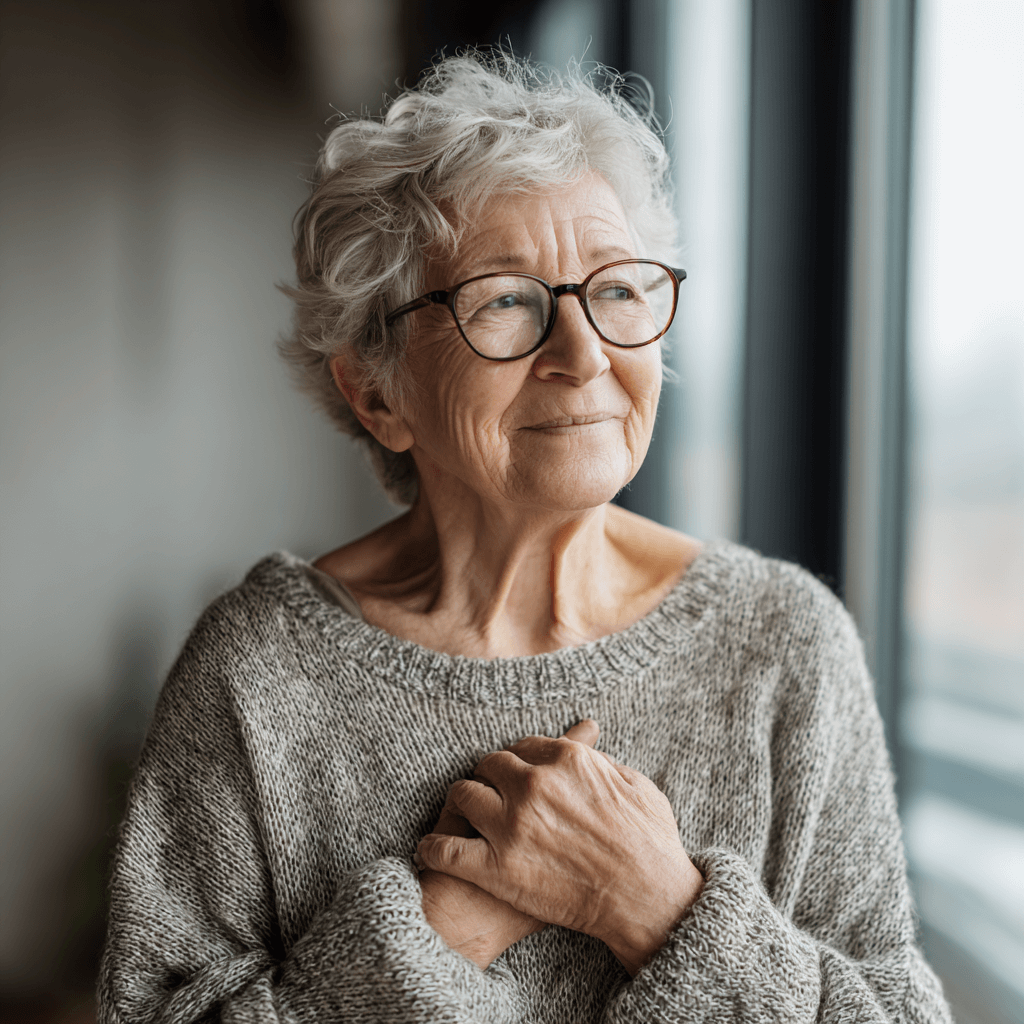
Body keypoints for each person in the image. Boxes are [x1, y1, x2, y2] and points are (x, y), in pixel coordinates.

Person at [97, 53, 953, 1024]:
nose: (584, 354)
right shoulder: (258, 671)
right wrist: (437, 932)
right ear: (376, 392)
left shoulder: (783, 641)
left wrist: (659, 908)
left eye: (618, 291)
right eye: (506, 300)